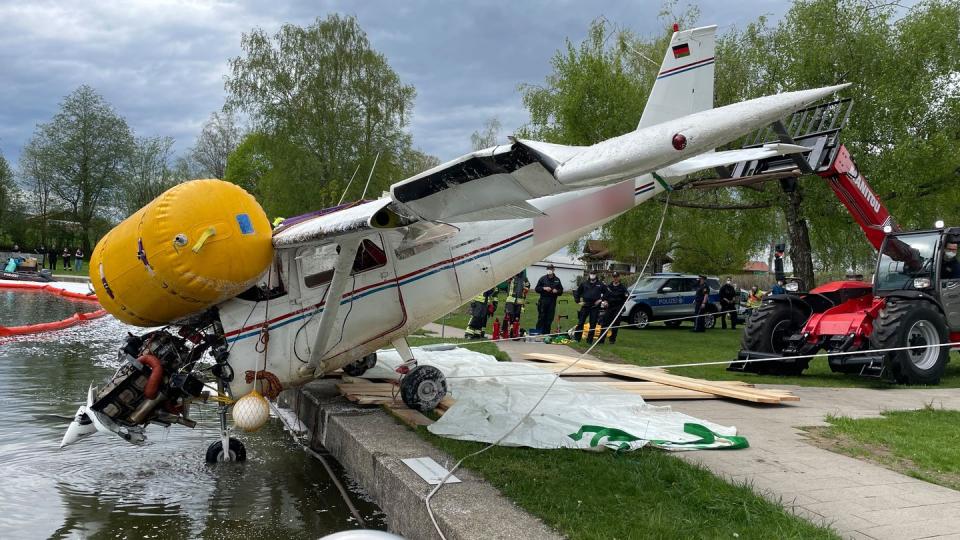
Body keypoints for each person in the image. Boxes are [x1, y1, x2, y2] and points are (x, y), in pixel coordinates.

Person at [573, 271, 604, 343]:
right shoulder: (584, 283)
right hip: (585, 305)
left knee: (593, 324)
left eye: (594, 274)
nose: (592, 275)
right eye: (591, 274)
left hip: (595, 306)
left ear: (596, 275)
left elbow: (607, 293)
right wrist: (578, 301)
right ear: (589, 275)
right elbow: (577, 292)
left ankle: (589, 340)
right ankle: (577, 338)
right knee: (581, 322)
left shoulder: (600, 284)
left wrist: (600, 300)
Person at [598, 271, 628, 344]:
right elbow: (605, 296)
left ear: (619, 277)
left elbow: (626, 297)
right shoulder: (609, 287)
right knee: (604, 323)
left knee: (615, 324)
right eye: (614, 277)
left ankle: (612, 340)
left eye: (617, 277)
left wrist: (621, 304)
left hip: (618, 307)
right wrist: (605, 301)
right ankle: (601, 340)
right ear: (613, 277)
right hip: (609, 307)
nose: (615, 278)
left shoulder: (622, 288)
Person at [535, 264, 563, 335]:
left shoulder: (557, 280)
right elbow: (537, 289)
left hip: (552, 301)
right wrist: (544, 288)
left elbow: (561, 291)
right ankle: (538, 334)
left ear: (554, 270)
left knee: (549, 319)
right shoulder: (542, 278)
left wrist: (557, 291)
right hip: (543, 300)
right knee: (541, 317)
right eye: (548, 269)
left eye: (551, 269)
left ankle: (546, 334)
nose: (549, 270)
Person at [503, 271, 530, 337]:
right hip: (511, 298)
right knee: (510, 314)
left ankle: (515, 330)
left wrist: (525, 290)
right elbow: (505, 282)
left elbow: (528, 285)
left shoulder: (524, 278)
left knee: (517, 315)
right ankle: (508, 330)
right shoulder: (511, 275)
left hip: (520, 299)